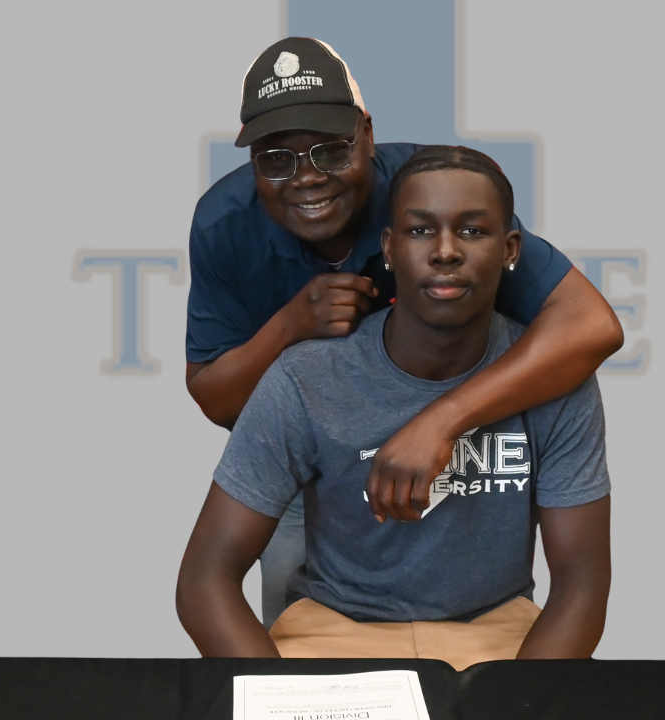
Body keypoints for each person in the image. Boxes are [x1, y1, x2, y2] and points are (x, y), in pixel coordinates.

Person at [186, 37, 622, 628]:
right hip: (310, 451)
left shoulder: (435, 193)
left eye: (332, 151)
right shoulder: (225, 225)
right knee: (294, 616)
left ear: (367, 135)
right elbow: (215, 399)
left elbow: (593, 325)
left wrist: (441, 418)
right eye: (277, 158)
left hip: (472, 460)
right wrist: (288, 327)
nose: (308, 178)